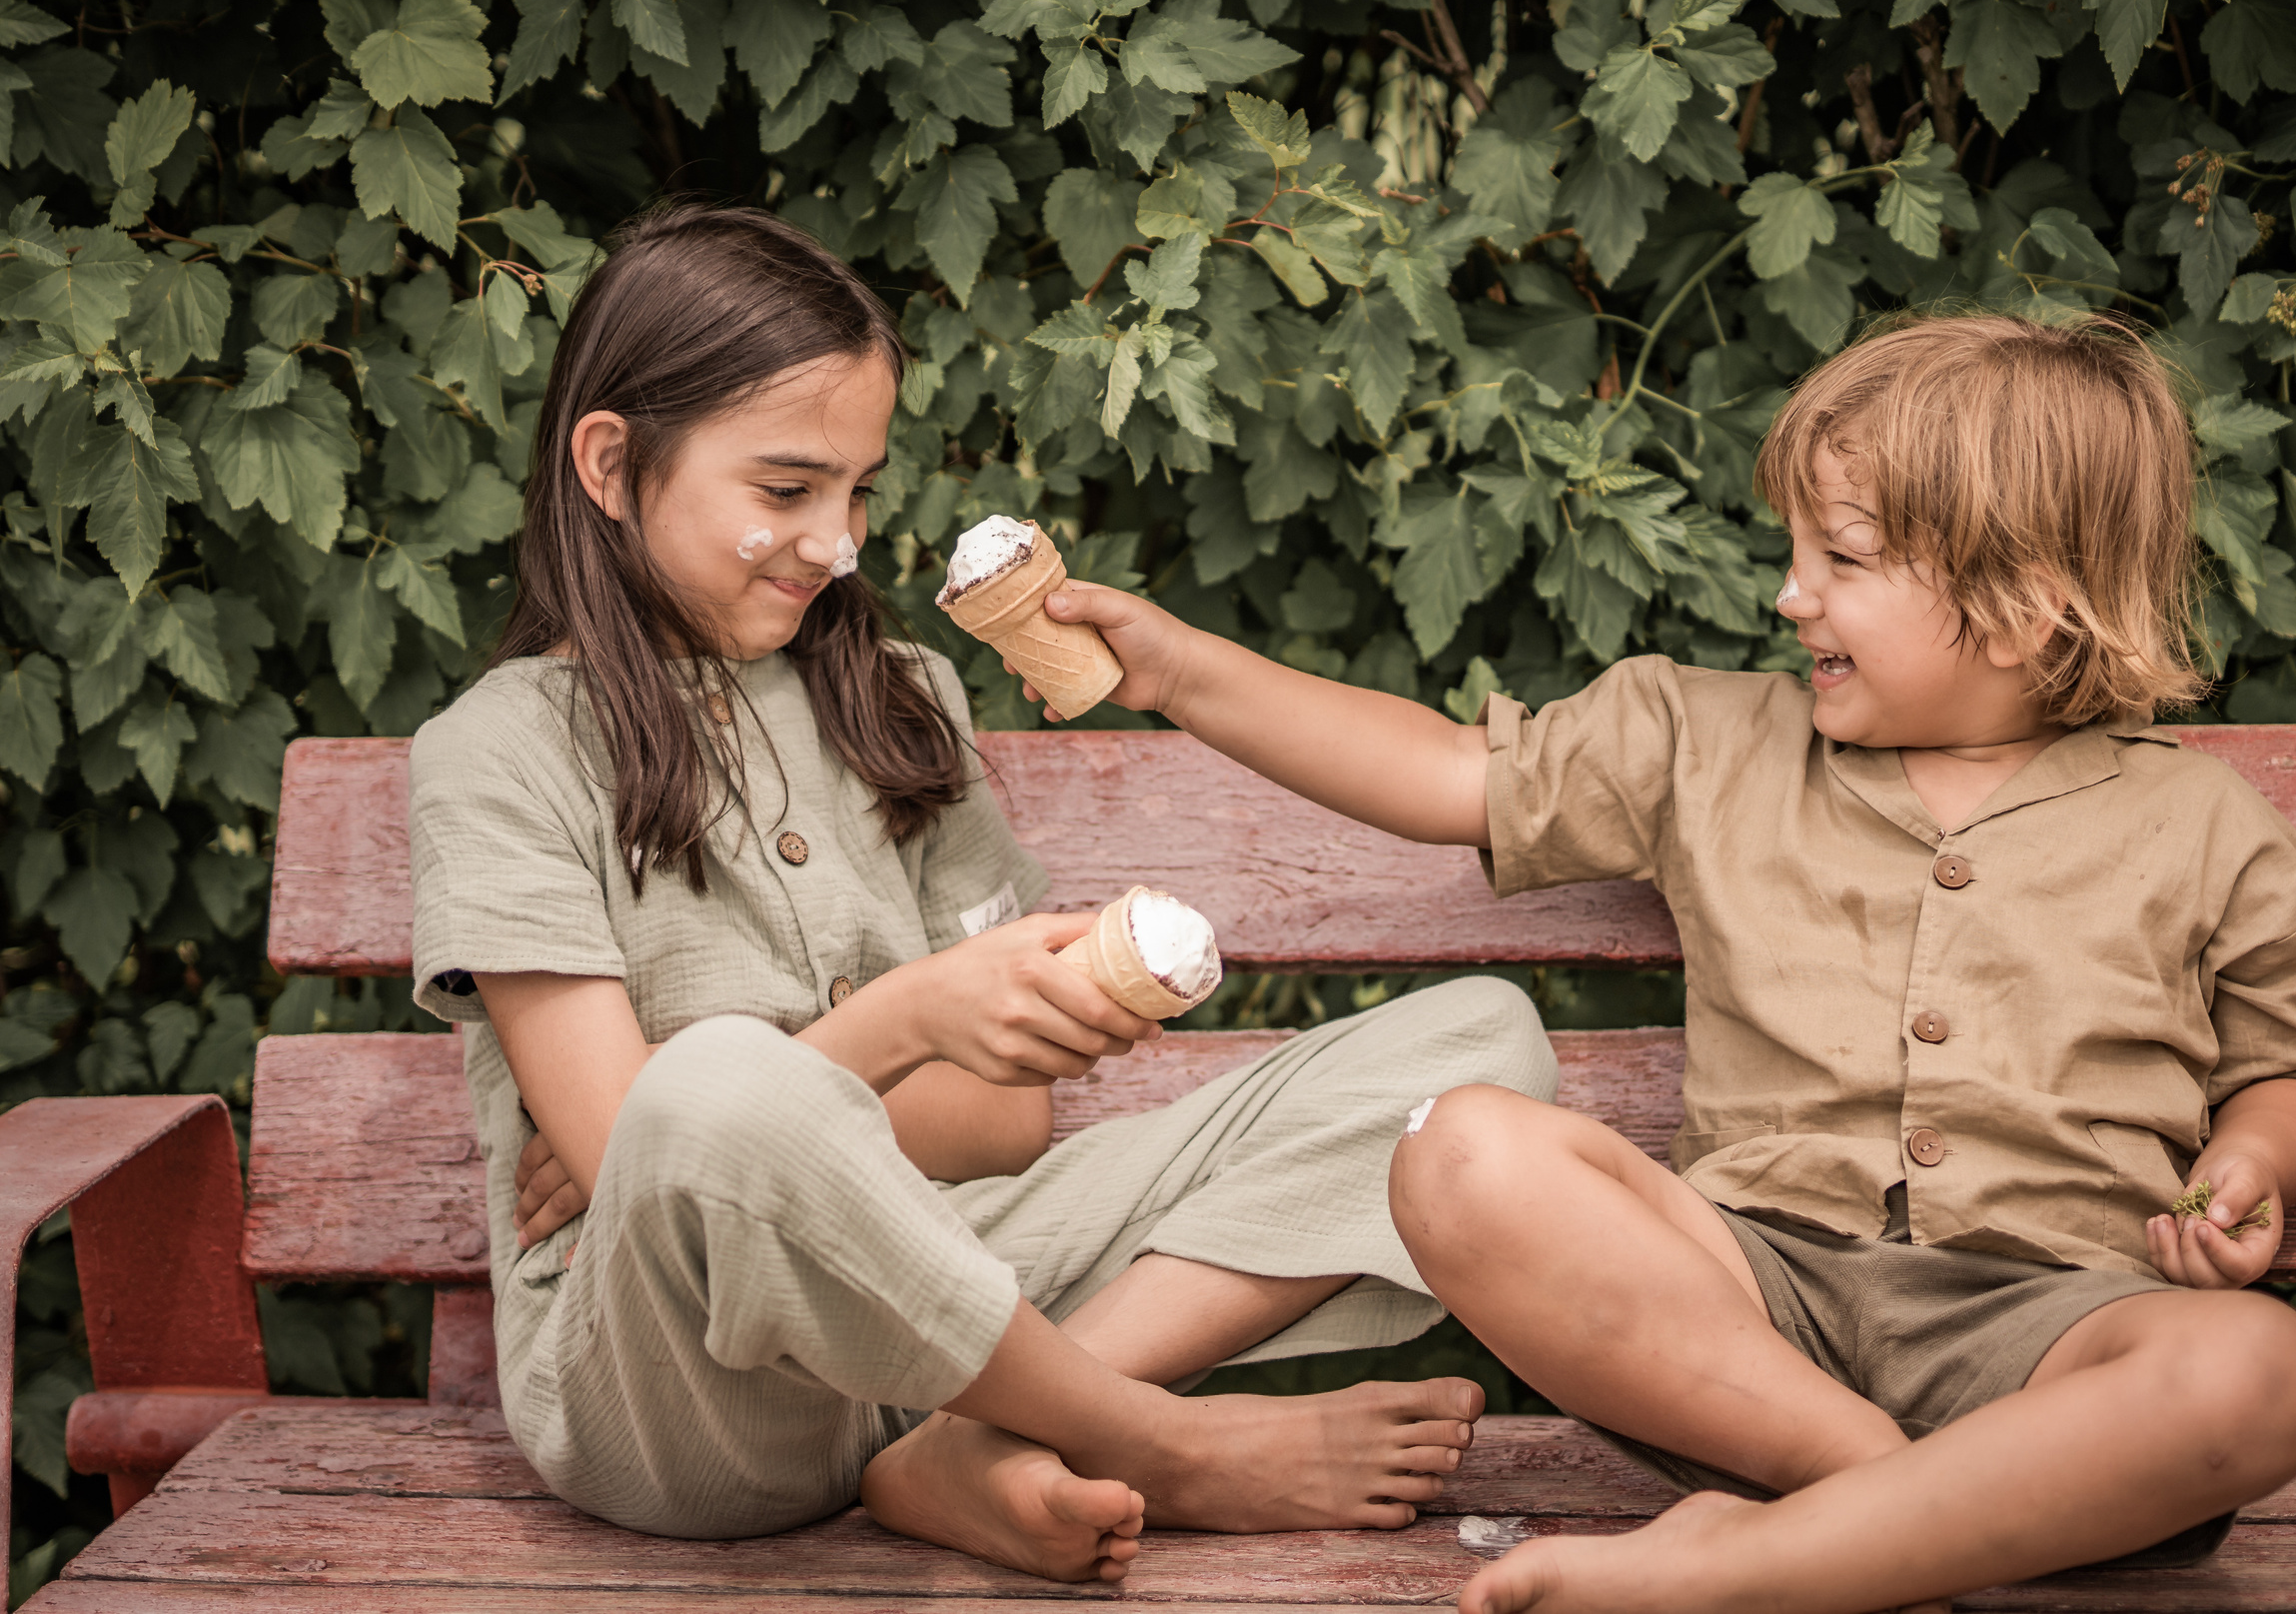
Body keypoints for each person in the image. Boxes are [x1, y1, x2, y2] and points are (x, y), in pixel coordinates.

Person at [1041, 312, 2296, 1614]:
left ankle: (1762, 1559)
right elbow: (1449, 771)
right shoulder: (1705, 740)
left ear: (2022, 610)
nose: (1790, 593)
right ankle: (1867, 1508)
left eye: (1841, 558)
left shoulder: (2208, 829)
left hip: (2052, 1331)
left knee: (2263, 1375)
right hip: (1744, 1316)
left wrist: (2255, 1160)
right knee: (1459, 1151)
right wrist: (1183, 671)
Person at [404, 205, 1558, 1583]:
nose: (836, 542)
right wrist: (890, 1030)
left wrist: (781, 1092)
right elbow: (628, 1156)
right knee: (713, 1094)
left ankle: (975, 1438)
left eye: (858, 491)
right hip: (681, 1388)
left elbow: (1007, 1120)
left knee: (1477, 1045)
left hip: (957, 1285)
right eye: (785, 491)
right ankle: (1150, 1440)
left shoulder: (904, 700)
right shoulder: (501, 751)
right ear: (609, 462)